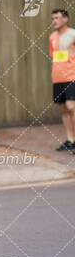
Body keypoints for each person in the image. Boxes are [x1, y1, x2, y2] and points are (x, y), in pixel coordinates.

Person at [49, 9, 75, 152]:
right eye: (53, 18)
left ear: (65, 19)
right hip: (58, 78)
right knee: (63, 109)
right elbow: (55, 56)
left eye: (57, 18)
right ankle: (70, 140)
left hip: (72, 76)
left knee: (72, 107)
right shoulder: (52, 37)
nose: (54, 21)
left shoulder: (73, 34)